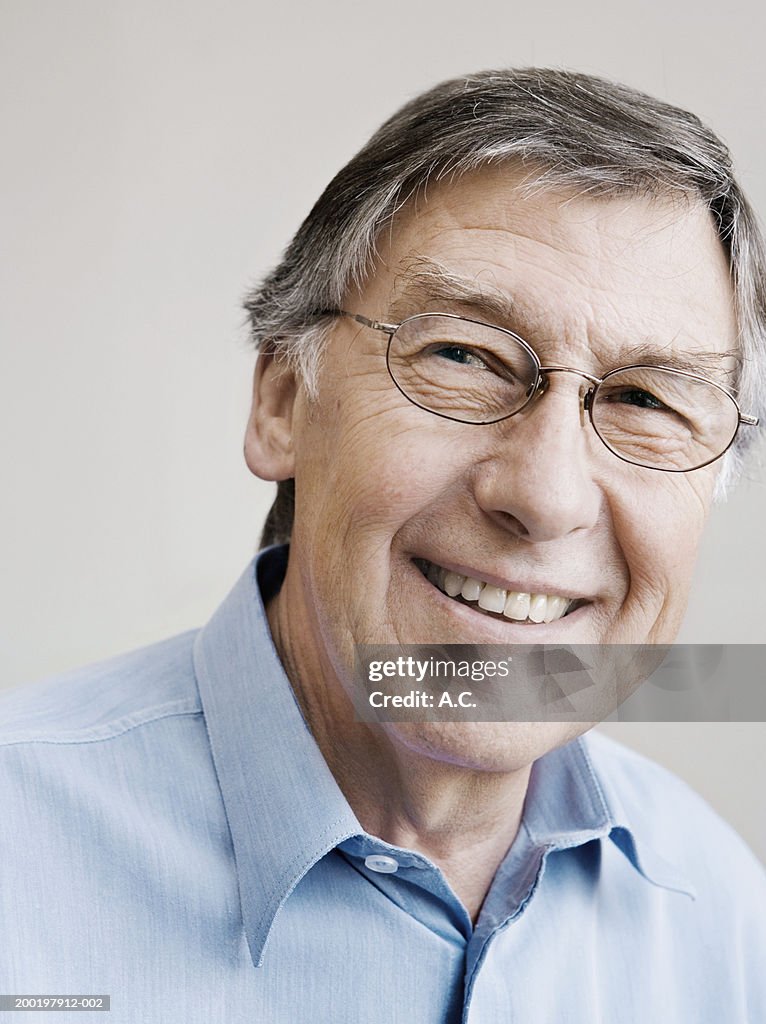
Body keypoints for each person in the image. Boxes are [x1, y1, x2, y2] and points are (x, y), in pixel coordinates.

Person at [1, 68, 764, 1023]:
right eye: (464, 356)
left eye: (646, 401)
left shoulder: (719, 914)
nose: (547, 494)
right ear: (282, 402)